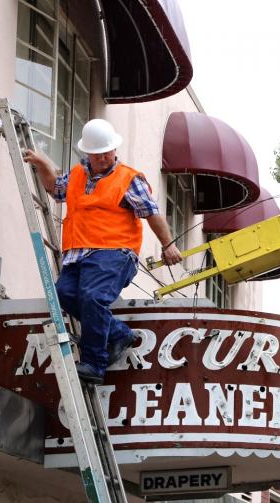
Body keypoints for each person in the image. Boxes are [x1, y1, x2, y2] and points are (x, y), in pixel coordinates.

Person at [24, 119, 183, 384]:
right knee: (63, 293)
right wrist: (42, 164)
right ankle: (118, 333)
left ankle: (94, 364)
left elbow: (152, 213)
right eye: (98, 153)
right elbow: (54, 188)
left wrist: (169, 245)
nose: (105, 157)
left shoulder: (129, 178)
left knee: (93, 296)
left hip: (113, 252)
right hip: (77, 255)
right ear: (88, 153)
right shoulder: (76, 174)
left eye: (108, 151)